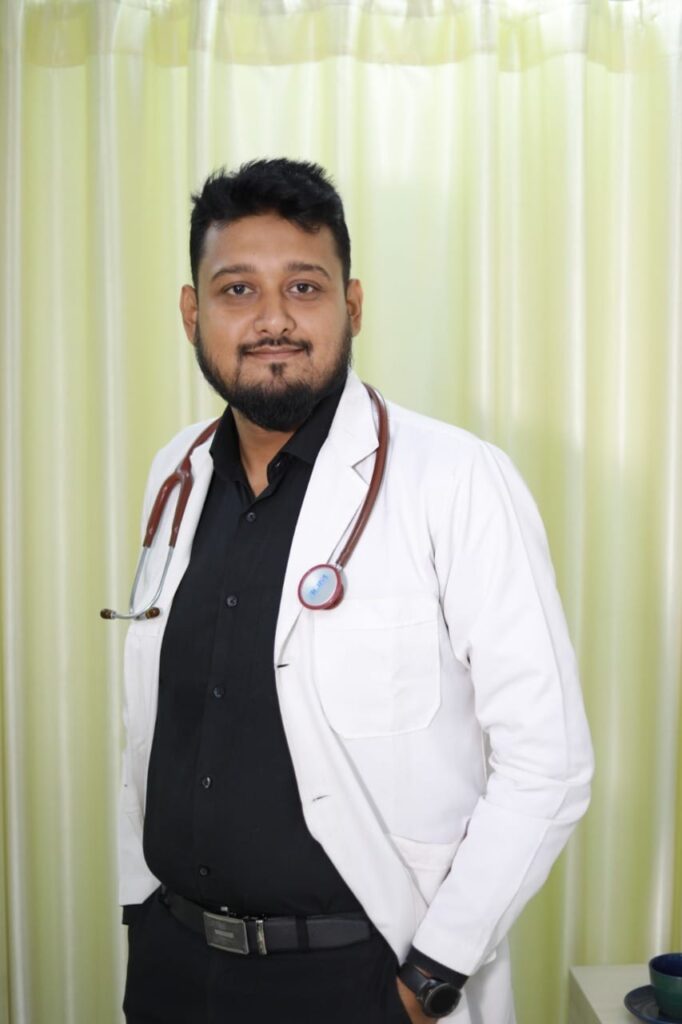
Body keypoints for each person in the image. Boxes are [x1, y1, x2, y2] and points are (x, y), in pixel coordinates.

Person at [115, 158, 593, 1024]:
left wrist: (430, 978)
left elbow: (547, 764)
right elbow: (152, 720)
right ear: (192, 313)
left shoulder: (456, 480)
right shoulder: (175, 474)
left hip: (360, 981)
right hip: (174, 967)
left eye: (304, 287)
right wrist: (136, 909)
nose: (272, 319)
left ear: (354, 305)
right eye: (236, 290)